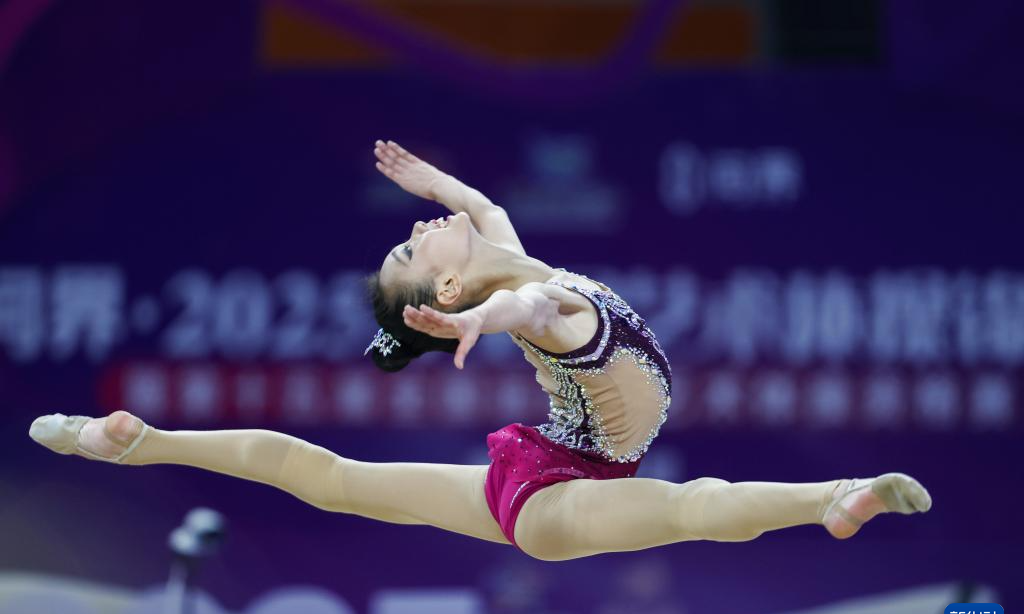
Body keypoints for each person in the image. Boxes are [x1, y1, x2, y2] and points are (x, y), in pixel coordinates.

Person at [28, 140, 932, 562]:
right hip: (557, 500)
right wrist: (479, 324)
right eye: (412, 247)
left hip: (550, 467)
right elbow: (525, 304)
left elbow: (488, 216)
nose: (422, 225)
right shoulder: (543, 302)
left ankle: (139, 441)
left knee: (334, 478)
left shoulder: (513, 255)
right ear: (452, 290)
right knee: (695, 503)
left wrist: (435, 183)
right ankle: (833, 496)